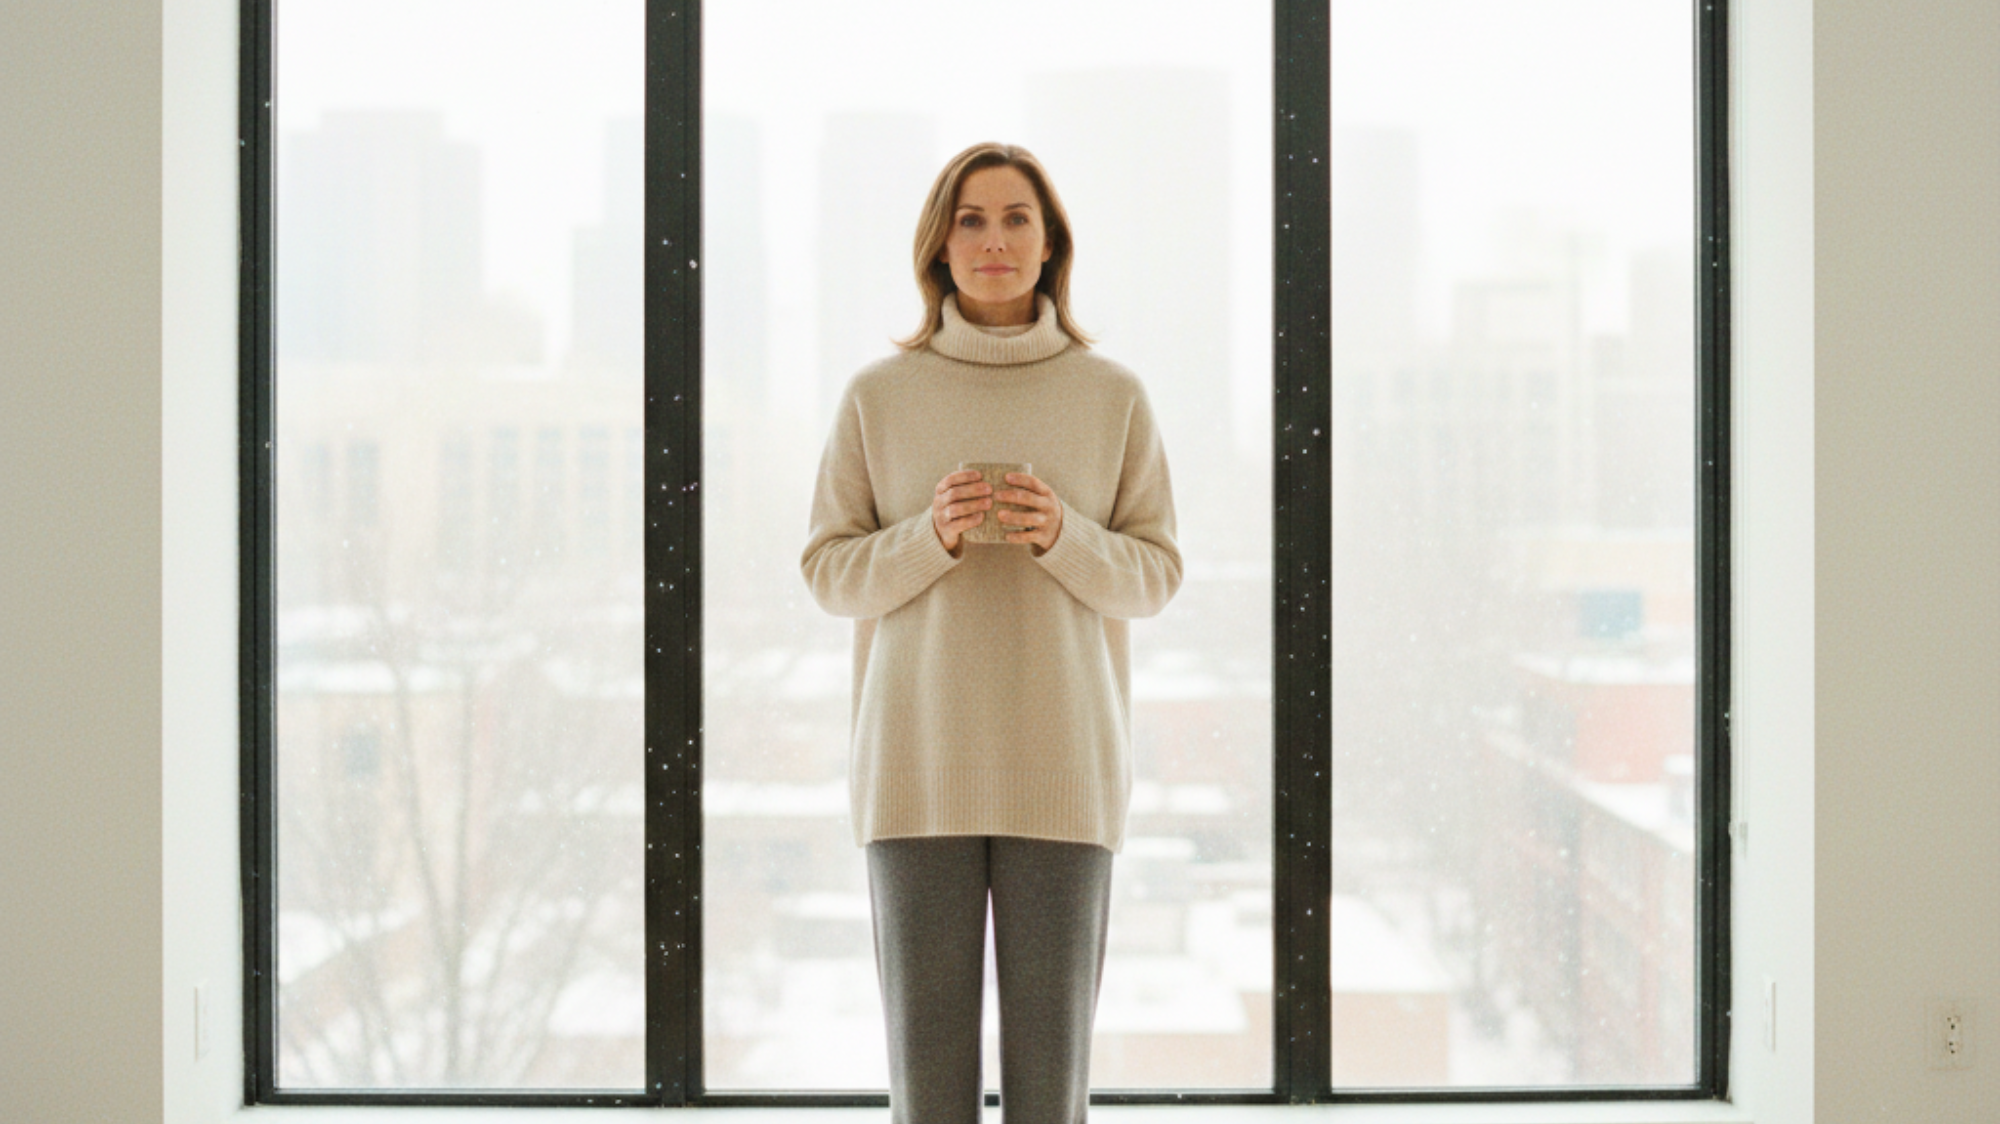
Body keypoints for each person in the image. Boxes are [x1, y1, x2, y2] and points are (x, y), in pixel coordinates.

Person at [800, 141, 1182, 1124]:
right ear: (938, 246)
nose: (994, 239)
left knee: (1049, 1093)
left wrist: (1065, 536)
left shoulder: (1113, 396)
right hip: (914, 772)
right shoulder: (875, 397)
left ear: (1051, 242)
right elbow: (827, 572)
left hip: (1062, 772)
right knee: (926, 1094)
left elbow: (1155, 575)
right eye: (969, 218)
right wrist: (928, 538)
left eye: (1016, 217)